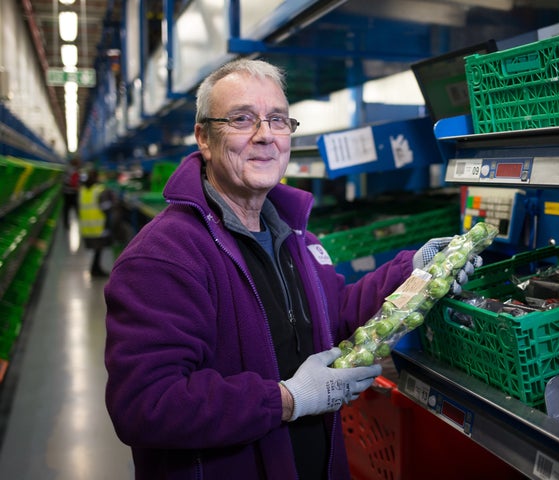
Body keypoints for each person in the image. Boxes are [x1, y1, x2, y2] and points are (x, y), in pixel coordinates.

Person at [103, 58, 480, 479]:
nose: (265, 135)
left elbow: (337, 313)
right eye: (242, 119)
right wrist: (287, 399)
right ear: (204, 138)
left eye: (278, 120)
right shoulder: (164, 256)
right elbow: (145, 405)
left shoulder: (297, 239)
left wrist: (415, 269)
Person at [78, 168, 114, 277]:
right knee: (98, 250)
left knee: (97, 251)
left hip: (87, 227)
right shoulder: (99, 190)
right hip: (99, 227)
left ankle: (95, 269)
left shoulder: (82, 190)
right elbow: (106, 208)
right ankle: (95, 270)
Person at [61, 157, 80, 228]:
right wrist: (77, 187)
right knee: (76, 208)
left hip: (66, 192)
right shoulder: (74, 171)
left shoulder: (67, 169)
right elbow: (73, 183)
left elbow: (64, 181)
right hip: (72, 193)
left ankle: (66, 224)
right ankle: (80, 222)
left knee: (66, 209)